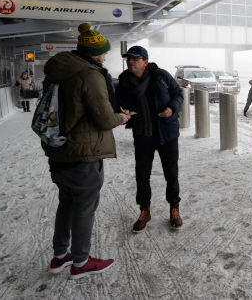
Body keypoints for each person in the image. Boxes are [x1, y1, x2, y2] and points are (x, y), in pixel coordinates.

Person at [43, 23, 130, 280]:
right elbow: (104, 119)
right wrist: (122, 117)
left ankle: (60, 256)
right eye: (103, 52)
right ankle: (80, 262)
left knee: (66, 203)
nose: (105, 57)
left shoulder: (58, 71)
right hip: (83, 153)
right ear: (95, 53)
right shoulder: (90, 75)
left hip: (58, 149)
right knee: (84, 208)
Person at [116, 46, 184, 233]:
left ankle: (174, 208)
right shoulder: (123, 80)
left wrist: (171, 107)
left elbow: (178, 94)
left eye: (136, 58)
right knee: (142, 175)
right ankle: (144, 210)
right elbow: (118, 102)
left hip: (166, 133)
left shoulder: (161, 76)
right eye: (129, 58)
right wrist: (123, 111)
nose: (131, 61)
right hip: (142, 132)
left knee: (171, 173)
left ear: (145, 61)